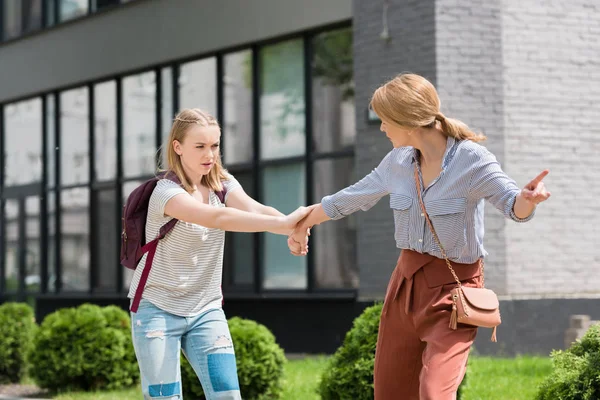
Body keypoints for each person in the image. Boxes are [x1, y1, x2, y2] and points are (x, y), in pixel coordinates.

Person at [287, 73, 551, 399]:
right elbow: (350, 198)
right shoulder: (397, 162)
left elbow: (514, 207)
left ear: (408, 122)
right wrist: (301, 222)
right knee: (390, 391)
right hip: (404, 288)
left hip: (453, 291)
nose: (382, 128)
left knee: (434, 392)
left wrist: (528, 199)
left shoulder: (472, 160)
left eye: (384, 121)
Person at [129, 108, 313, 400]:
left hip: (205, 309)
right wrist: (285, 224)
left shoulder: (222, 183)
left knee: (227, 395)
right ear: (177, 147)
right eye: (199, 146)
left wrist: (292, 227)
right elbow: (218, 218)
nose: (209, 154)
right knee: (164, 397)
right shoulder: (166, 193)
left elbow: (255, 209)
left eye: (214, 145)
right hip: (157, 310)